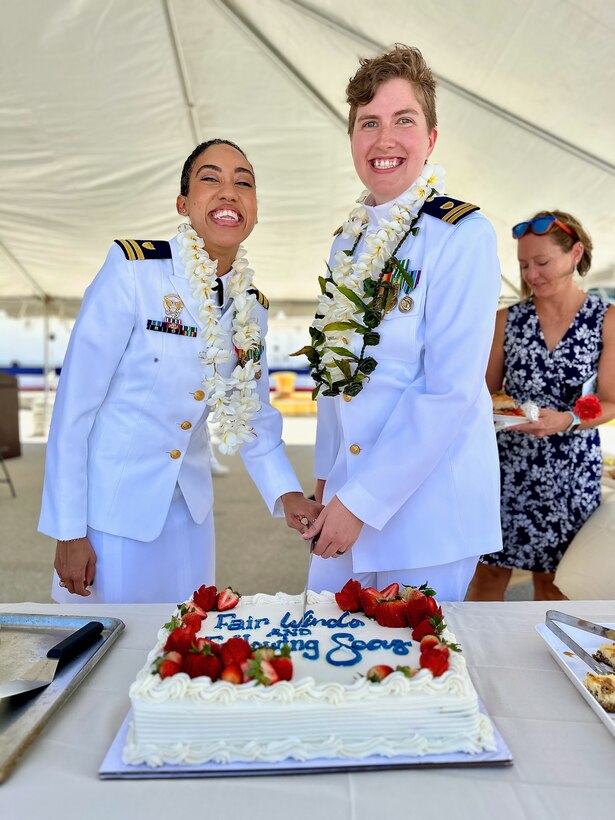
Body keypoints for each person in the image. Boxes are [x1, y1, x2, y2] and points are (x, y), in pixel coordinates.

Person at [39, 138, 321, 603]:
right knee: (107, 655)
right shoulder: (134, 270)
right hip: (111, 518)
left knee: (184, 646)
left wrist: (286, 494)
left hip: (190, 518)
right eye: (211, 178)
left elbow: (250, 413)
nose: (229, 192)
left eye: (243, 183)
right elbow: (74, 408)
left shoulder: (252, 308)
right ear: (183, 203)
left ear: (255, 210)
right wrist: (68, 531)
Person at [300, 45, 502, 601]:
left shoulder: (463, 234)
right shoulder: (348, 239)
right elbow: (335, 372)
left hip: (427, 515)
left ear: (431, 139)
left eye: (403, 121)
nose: (384, 140)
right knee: (329, 661)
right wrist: (327, 476)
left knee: (415, 676)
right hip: (345, 496)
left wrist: (361, 502)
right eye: (369, 123)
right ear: (352, 140)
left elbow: (449, 390)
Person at [468, 211, 615, 601]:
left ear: (575, 254)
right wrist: (503, 415)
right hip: (507, 468)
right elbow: (484, 394)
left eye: (542, 262)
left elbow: (610, 401)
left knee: (555, 588)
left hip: (570, 472)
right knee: (486, 579)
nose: (531, 274)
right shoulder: (506, 320)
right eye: (523, 265)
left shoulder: (606, 320)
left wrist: (566, 419)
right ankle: (470, 662)